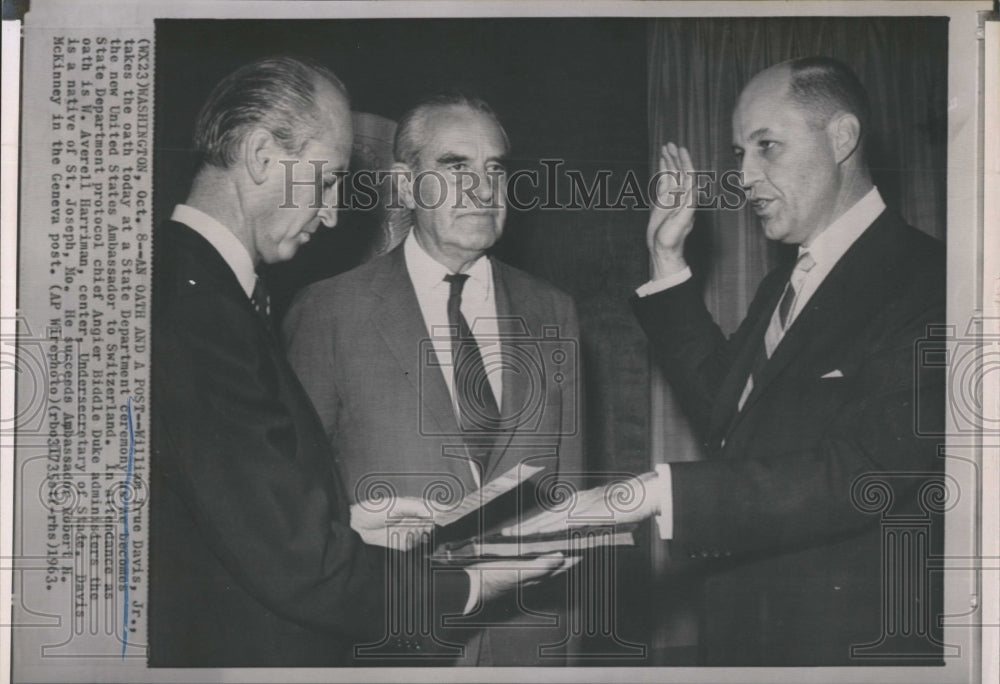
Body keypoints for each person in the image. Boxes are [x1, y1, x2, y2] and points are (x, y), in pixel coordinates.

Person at [511, 56, 946, 666]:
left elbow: (860, 474)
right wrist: (666, 261)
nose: (743, 175)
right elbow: (728, 412)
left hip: (846, 648)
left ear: (843, 137)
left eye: (767, 147)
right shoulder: (784, 284)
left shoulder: (935, 282)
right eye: (740, 152)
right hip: (747, 636)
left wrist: (653, 491)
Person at [149, 58, 564, 668]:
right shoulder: (201, 312)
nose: (334, 212)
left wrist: (348, 521)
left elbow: (247, 506)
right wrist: (476, 585)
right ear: (263, 156)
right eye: (326, 181)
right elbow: (301, 567)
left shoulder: (191, 290)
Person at [283, 94, 584, 665]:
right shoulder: (328, 312)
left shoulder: (554, 311)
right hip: (394, 640)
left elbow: (568, 501)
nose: (484, 188)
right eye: (455, 167)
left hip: (527, 641)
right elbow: (299, 514)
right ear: (403, 184)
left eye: (495, 168)